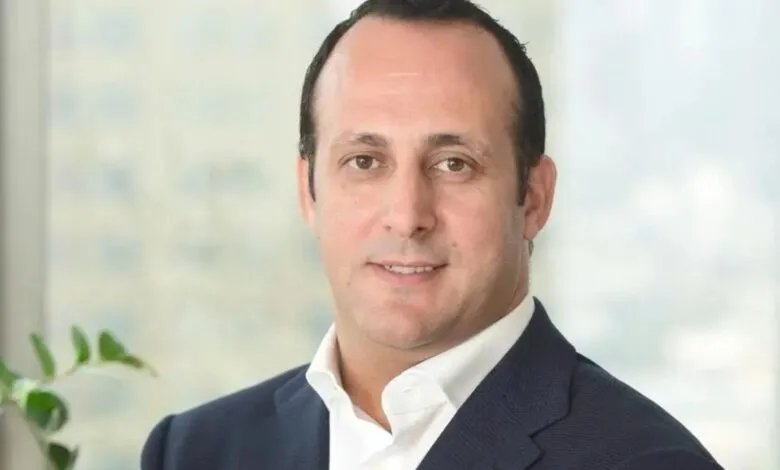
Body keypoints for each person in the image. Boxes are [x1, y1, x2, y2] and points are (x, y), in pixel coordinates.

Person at [140, 1, 725, 469]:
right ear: (308, 191)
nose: (407, 215)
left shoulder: (646, 461)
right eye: (365, 161)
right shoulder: (195, 451)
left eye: (453, 164)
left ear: (534, 198)